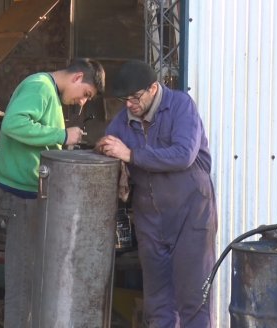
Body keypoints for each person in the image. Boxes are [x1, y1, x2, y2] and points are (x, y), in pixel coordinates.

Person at [96, 59, 217, 328]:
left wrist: (130, 154)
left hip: (191, 214)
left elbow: (183, 155)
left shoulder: (181, 106)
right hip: (150, 219)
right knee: (158, 302)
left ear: (153, 88)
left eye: (135, 98)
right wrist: (104, 148)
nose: (129, 104)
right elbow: (107, 145)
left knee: (193, 299)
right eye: (124, 99)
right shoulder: (123, 120)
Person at [0, 58, 105, 327]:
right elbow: (13, 124)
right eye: (86, 94)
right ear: (77, 78)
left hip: (31, 195)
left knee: (32, 279)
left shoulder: (49, 93)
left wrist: (59, 142)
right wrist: (63, 135)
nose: (82, 102)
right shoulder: (40, 87)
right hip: (20, 196)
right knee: (22, 281)